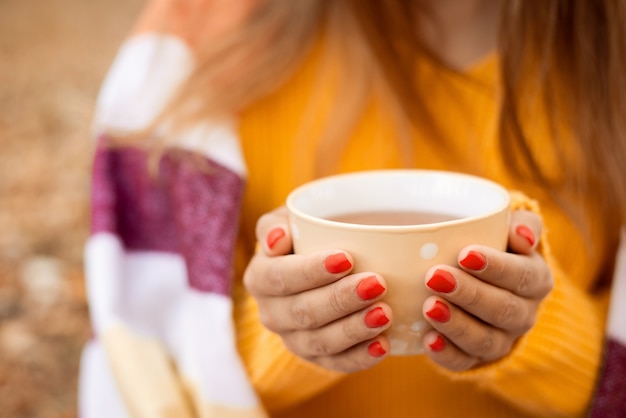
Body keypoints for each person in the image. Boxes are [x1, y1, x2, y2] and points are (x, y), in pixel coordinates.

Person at [78, 0, 626, 417]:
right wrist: (289, 328)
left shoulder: (607, 64)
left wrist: (533, 324)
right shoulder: (202, 45)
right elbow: (154, 355)